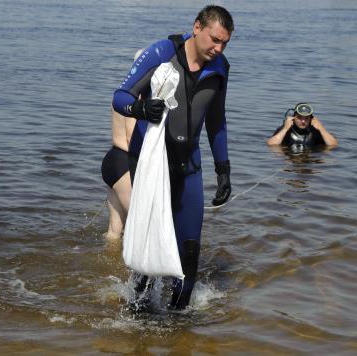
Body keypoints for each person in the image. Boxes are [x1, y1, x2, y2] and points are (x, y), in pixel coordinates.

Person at [112, 5, 234, 310]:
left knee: (189, 250)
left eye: (225, 43)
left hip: (188, 165)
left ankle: (180, 324)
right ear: (197, 27)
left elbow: (216, 121)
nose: (218, 48)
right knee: (148, 243)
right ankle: (137, 315)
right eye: (215, 40)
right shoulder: (161, 53)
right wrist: (140, 110)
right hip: (150, 161)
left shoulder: (220, 68)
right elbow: (120, 96)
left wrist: (223, 170)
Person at [101, 51, 143, 239]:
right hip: (126, 164)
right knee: (138, 226)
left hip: (111, 161)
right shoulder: (137, 98)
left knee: (114, 230)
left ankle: (107, 265)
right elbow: (130, 137)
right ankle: (131, 268)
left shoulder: (121, 94)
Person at [266, 103, 338, 148]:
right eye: (299, 117)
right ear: (293, 118)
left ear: (311, 119)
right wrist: (285, 129)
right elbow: (271, 144)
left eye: (306, 118)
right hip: (291, 162)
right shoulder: (285, 129)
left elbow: (333, 145)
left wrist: (321, 128)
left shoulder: (316, 132)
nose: (303, 121)